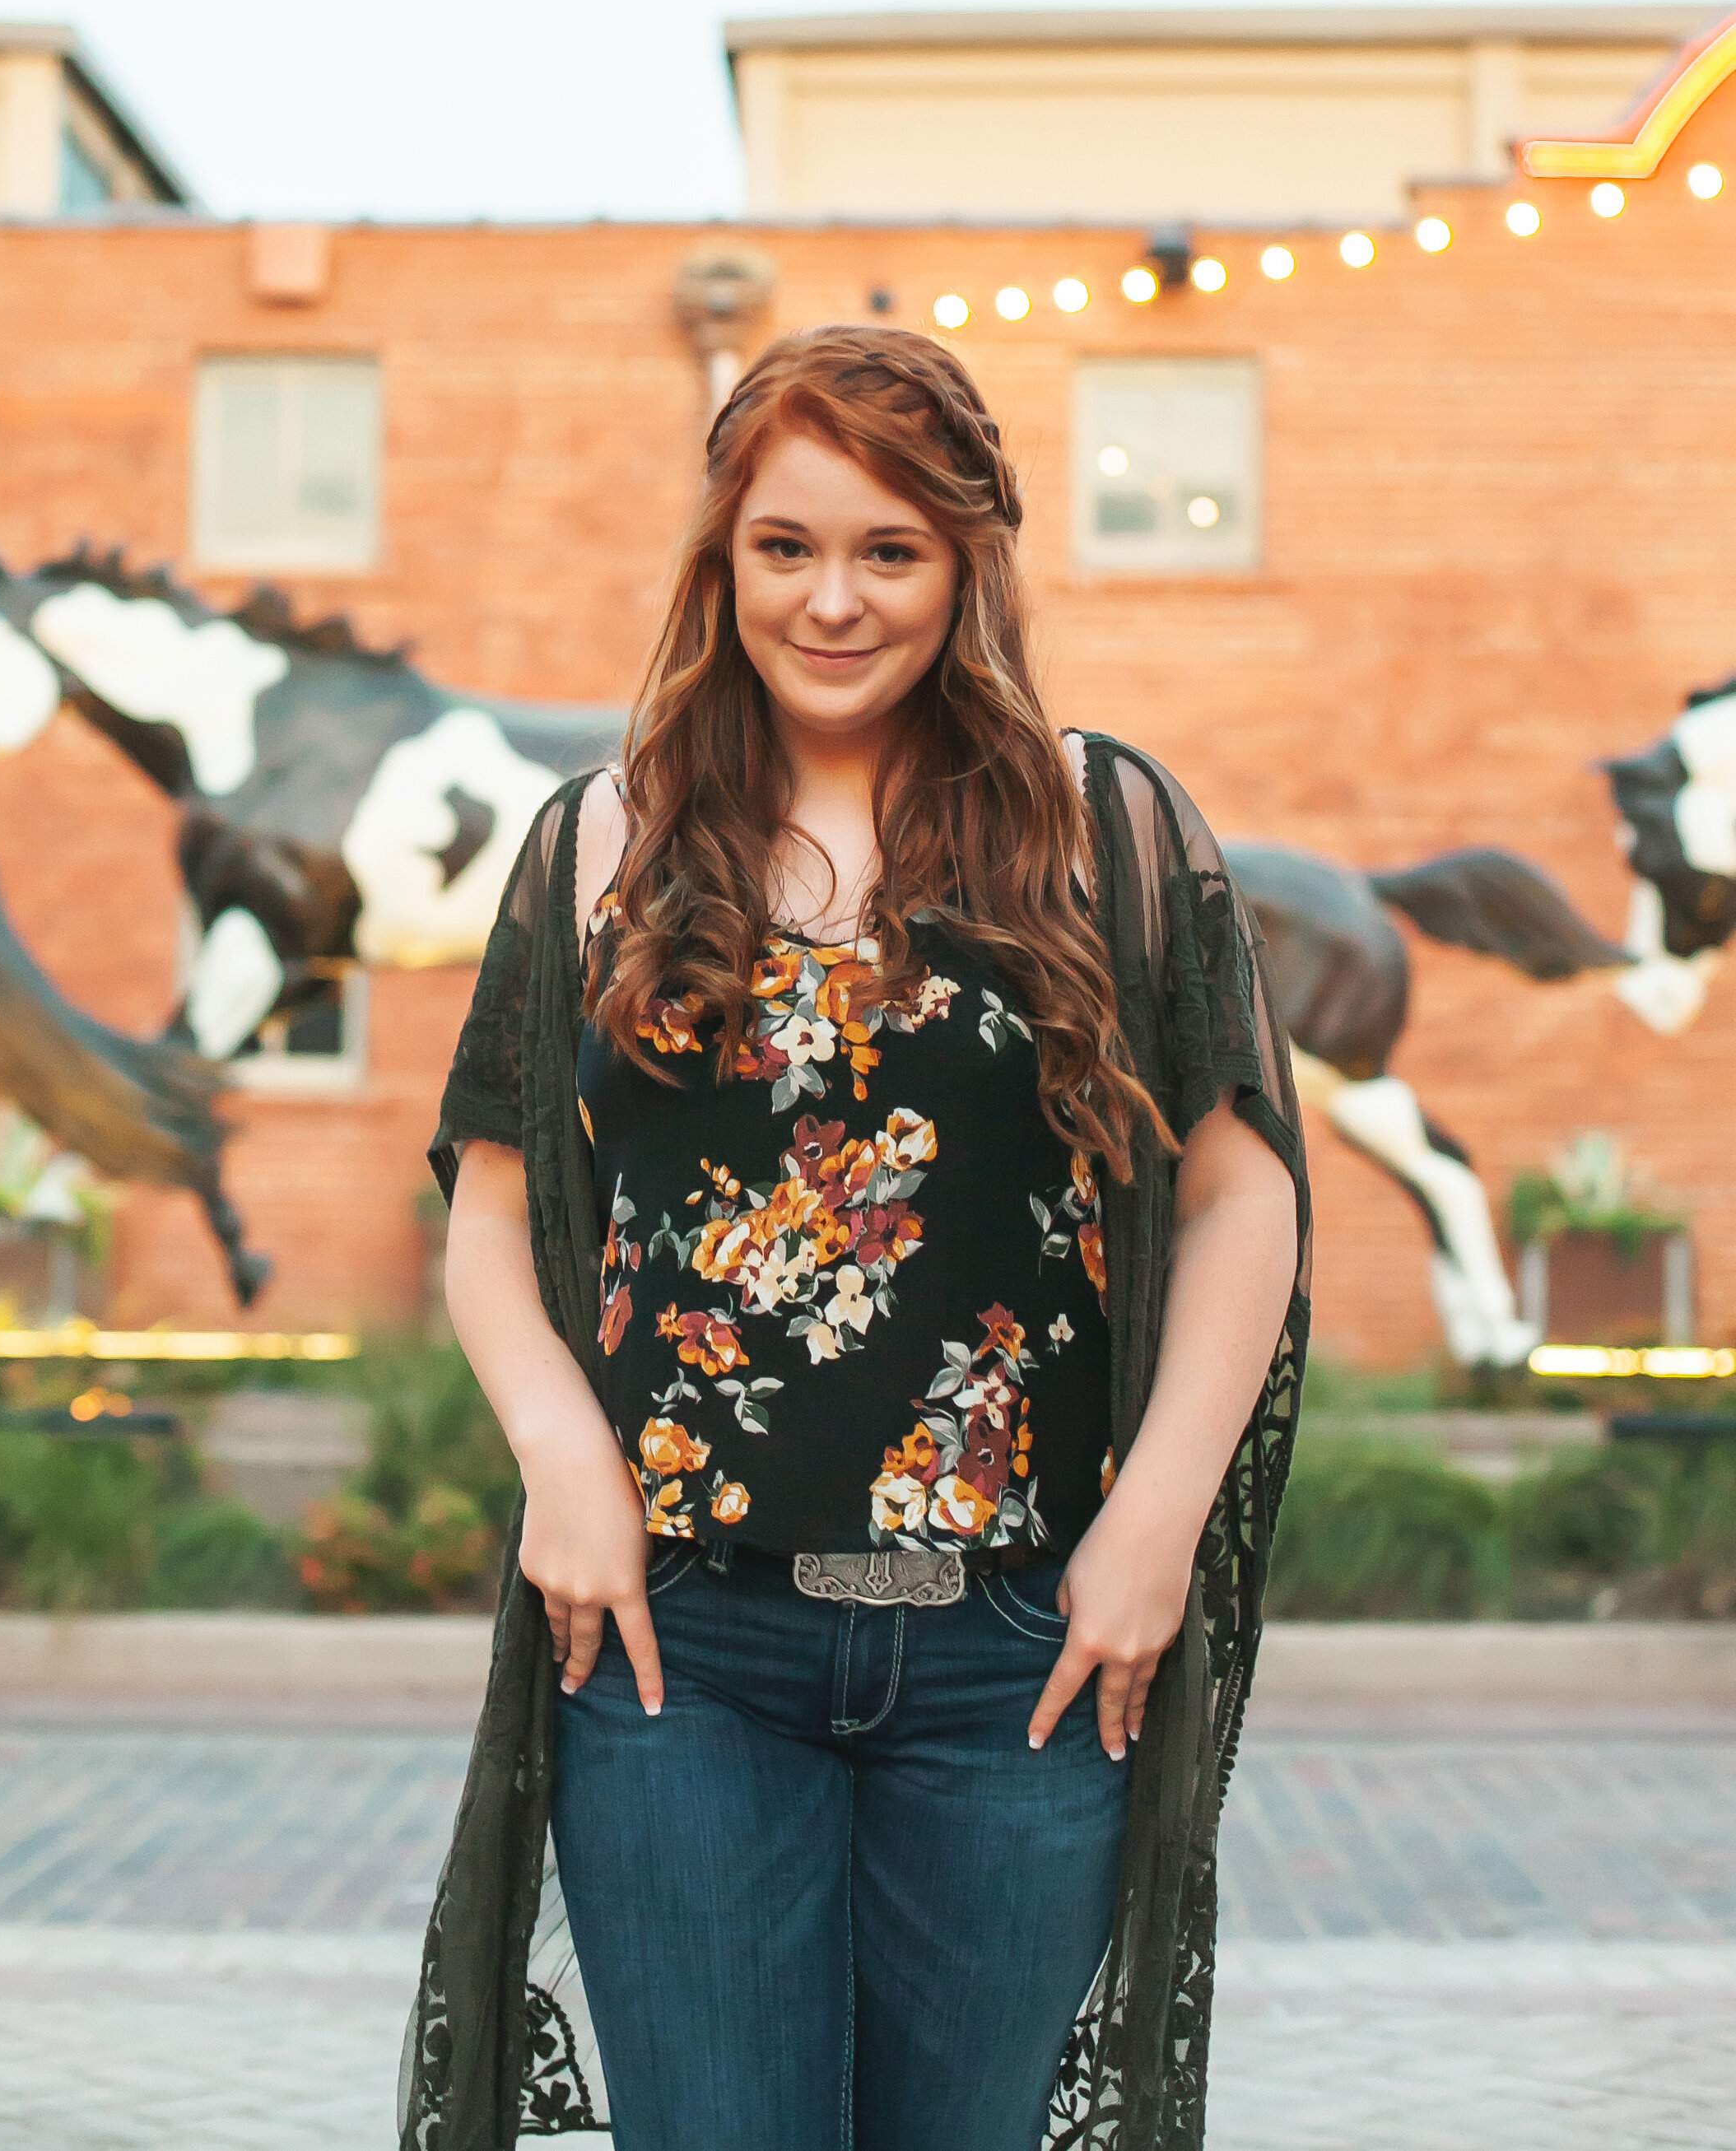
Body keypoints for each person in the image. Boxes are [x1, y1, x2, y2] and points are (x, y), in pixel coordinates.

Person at [401, 327, 1310, 2151]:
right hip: (677, 1656)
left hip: (1019, 1650)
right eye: (785, 546)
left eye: (889, 548)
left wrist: (1154, 1520)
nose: (833, 599)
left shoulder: (1099, 826)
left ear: (967, 558)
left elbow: (1240, 1193)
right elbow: (491, 1205)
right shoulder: (602, 841)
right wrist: (562, 1450)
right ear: (719, 562)